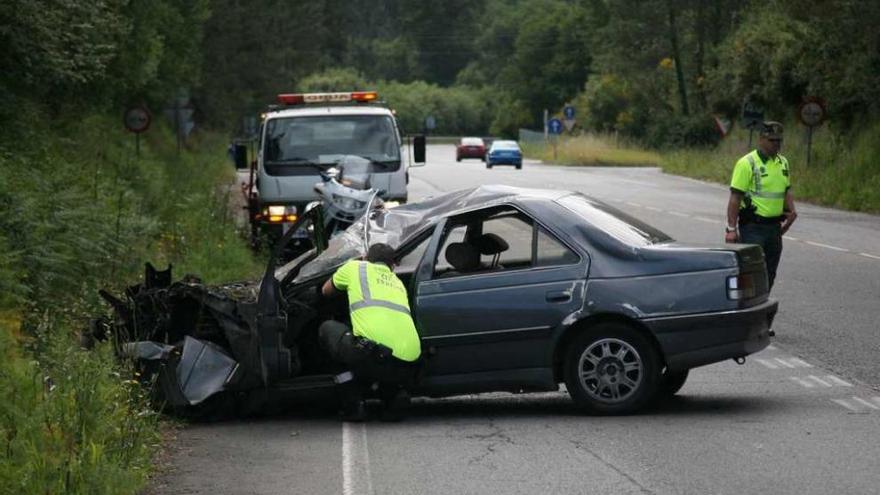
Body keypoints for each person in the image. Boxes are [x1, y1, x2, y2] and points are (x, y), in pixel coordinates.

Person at [319, 243, 422, 421]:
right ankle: (393, 396)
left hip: (374, 359)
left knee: (328, 329)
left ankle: (353, 403)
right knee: (377, 349)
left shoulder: (355, 268)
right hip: (410, 363)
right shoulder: (398, 282)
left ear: (365, 258)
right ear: (392, 266)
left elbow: (325, 291)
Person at [725, 121, 798, 289]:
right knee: (751, 272)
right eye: (772, 140)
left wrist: (792, 210)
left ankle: (762, 306)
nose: (776, 144)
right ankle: (746, 308)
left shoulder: (783, 162)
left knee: (770, 273)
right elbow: (735, 198)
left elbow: (786, 189)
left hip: (774, 228)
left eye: (779, 140)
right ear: (761, 139)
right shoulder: (747, 163)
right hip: (753, 228)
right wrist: (731, 229)